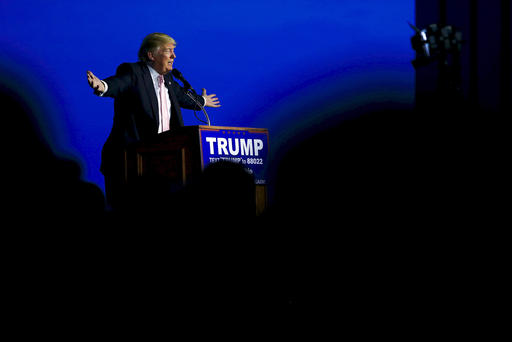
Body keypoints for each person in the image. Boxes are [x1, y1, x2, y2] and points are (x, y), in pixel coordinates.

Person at [86, 32, 220, 209]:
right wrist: (102, 86)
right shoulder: (133, 71)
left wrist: (202, 101)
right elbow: (118, 83)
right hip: (130, 160)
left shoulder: (170, 80)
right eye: (168, 51)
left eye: (173, 51)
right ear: (151, 54)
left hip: (164, 160)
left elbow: (183, 97)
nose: (174, 56)